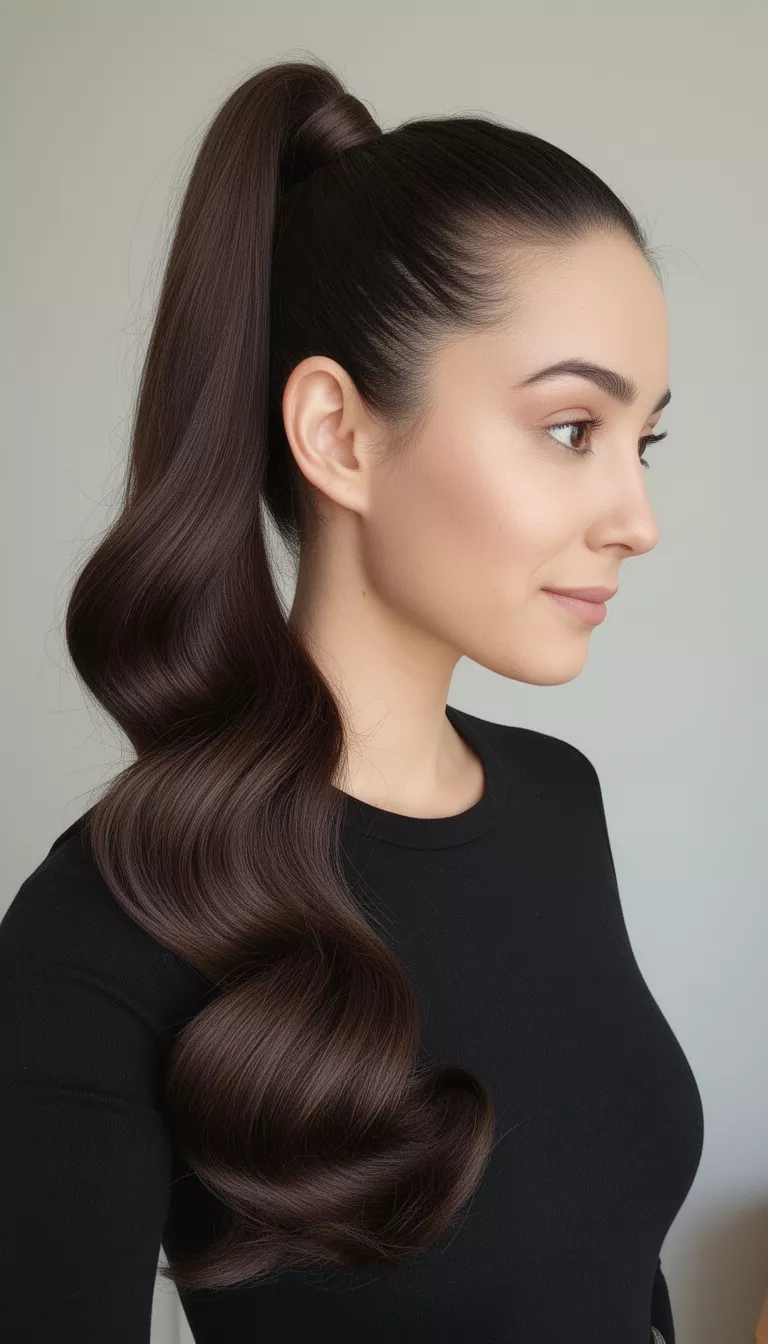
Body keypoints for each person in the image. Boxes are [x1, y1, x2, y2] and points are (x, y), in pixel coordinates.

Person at [0, 55, 704, 1344]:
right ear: (337, 433)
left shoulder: (558, 799)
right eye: (570, 430)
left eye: (643, 439)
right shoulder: (113, 922)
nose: (638, 520)